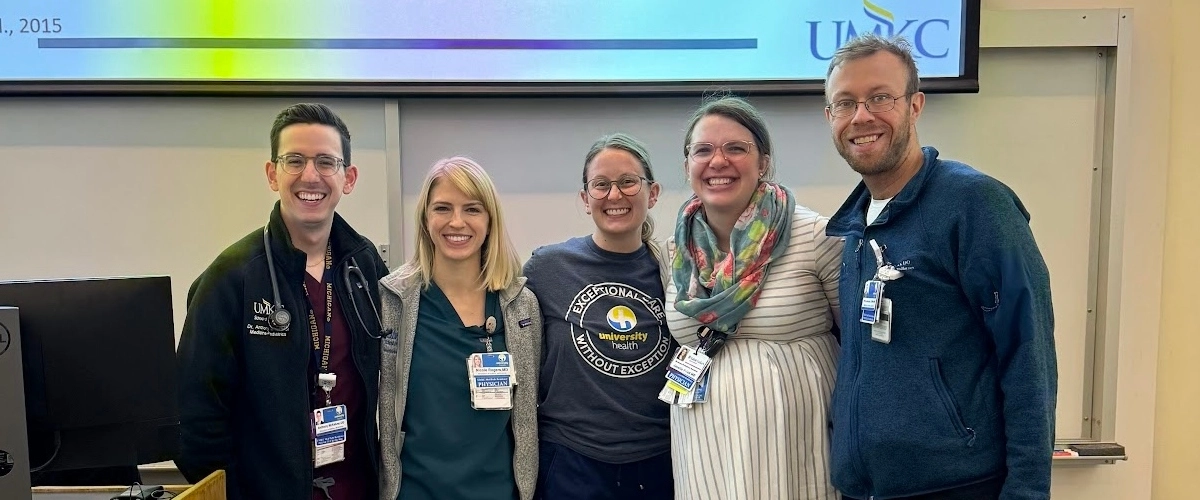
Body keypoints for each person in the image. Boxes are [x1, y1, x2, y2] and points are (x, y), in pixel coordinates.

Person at [822, 34, 1057, 500]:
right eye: (844, 103)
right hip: (863, 489)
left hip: (958, 486)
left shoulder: (977, 205)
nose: (861, 116)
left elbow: (1028, 353)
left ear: (915, 105)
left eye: (880, 98)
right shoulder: (854, 228)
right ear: (830, 117)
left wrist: (1027, 491)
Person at [176, 103, 388, 500]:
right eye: (295, 160)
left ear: (349, 177)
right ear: (273, 174)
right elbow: (195, 421)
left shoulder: (364, 266)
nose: (311, 176)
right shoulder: (231, 278)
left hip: (359, 490)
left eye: (327, 161)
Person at [664, 96, 844, 499]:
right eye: (703, 150)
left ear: (763, 162)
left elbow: (857, 344)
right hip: (702, 445)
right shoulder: (675, 251)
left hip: (797, 446)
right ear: (687, 164)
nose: (718, 161)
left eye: (736, 148)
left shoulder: (814, 235)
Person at [377, 157, 543, 500]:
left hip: (498, 492)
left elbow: (531, 411)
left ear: (489, 220)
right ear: (425, 218)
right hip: (415, 492)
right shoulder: (391, 302)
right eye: (442, 208)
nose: (457, 222)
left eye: (472, 209)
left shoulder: (520, 305)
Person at [523, 133, 676, 500]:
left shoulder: (676, 271)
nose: (614, 195)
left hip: (659, 461)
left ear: (652, 193)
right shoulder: (548, 268)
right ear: (585, 199)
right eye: (601, 185)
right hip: (571, 461)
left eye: (627, 182)